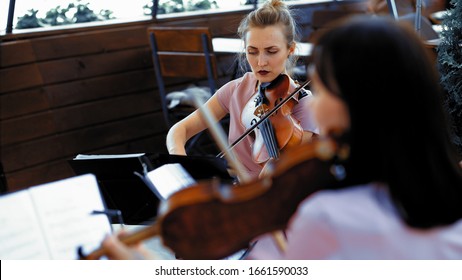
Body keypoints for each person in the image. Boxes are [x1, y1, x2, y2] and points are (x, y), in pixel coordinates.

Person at [98, 15, 462, 260]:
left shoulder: (328, 218)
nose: (316, 104)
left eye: (323, 89)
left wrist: (139, 264)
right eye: (253, 52)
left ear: (354, 104)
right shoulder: (447, 209)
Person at [166, 0, 318, 180]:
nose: (261, 62)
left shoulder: (304, 104)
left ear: (290, 49)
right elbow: (179, 130)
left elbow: (283, 179)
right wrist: (182, 167)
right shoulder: (236, 89)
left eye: (271, 51)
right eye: (252, 52)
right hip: (237, 191)